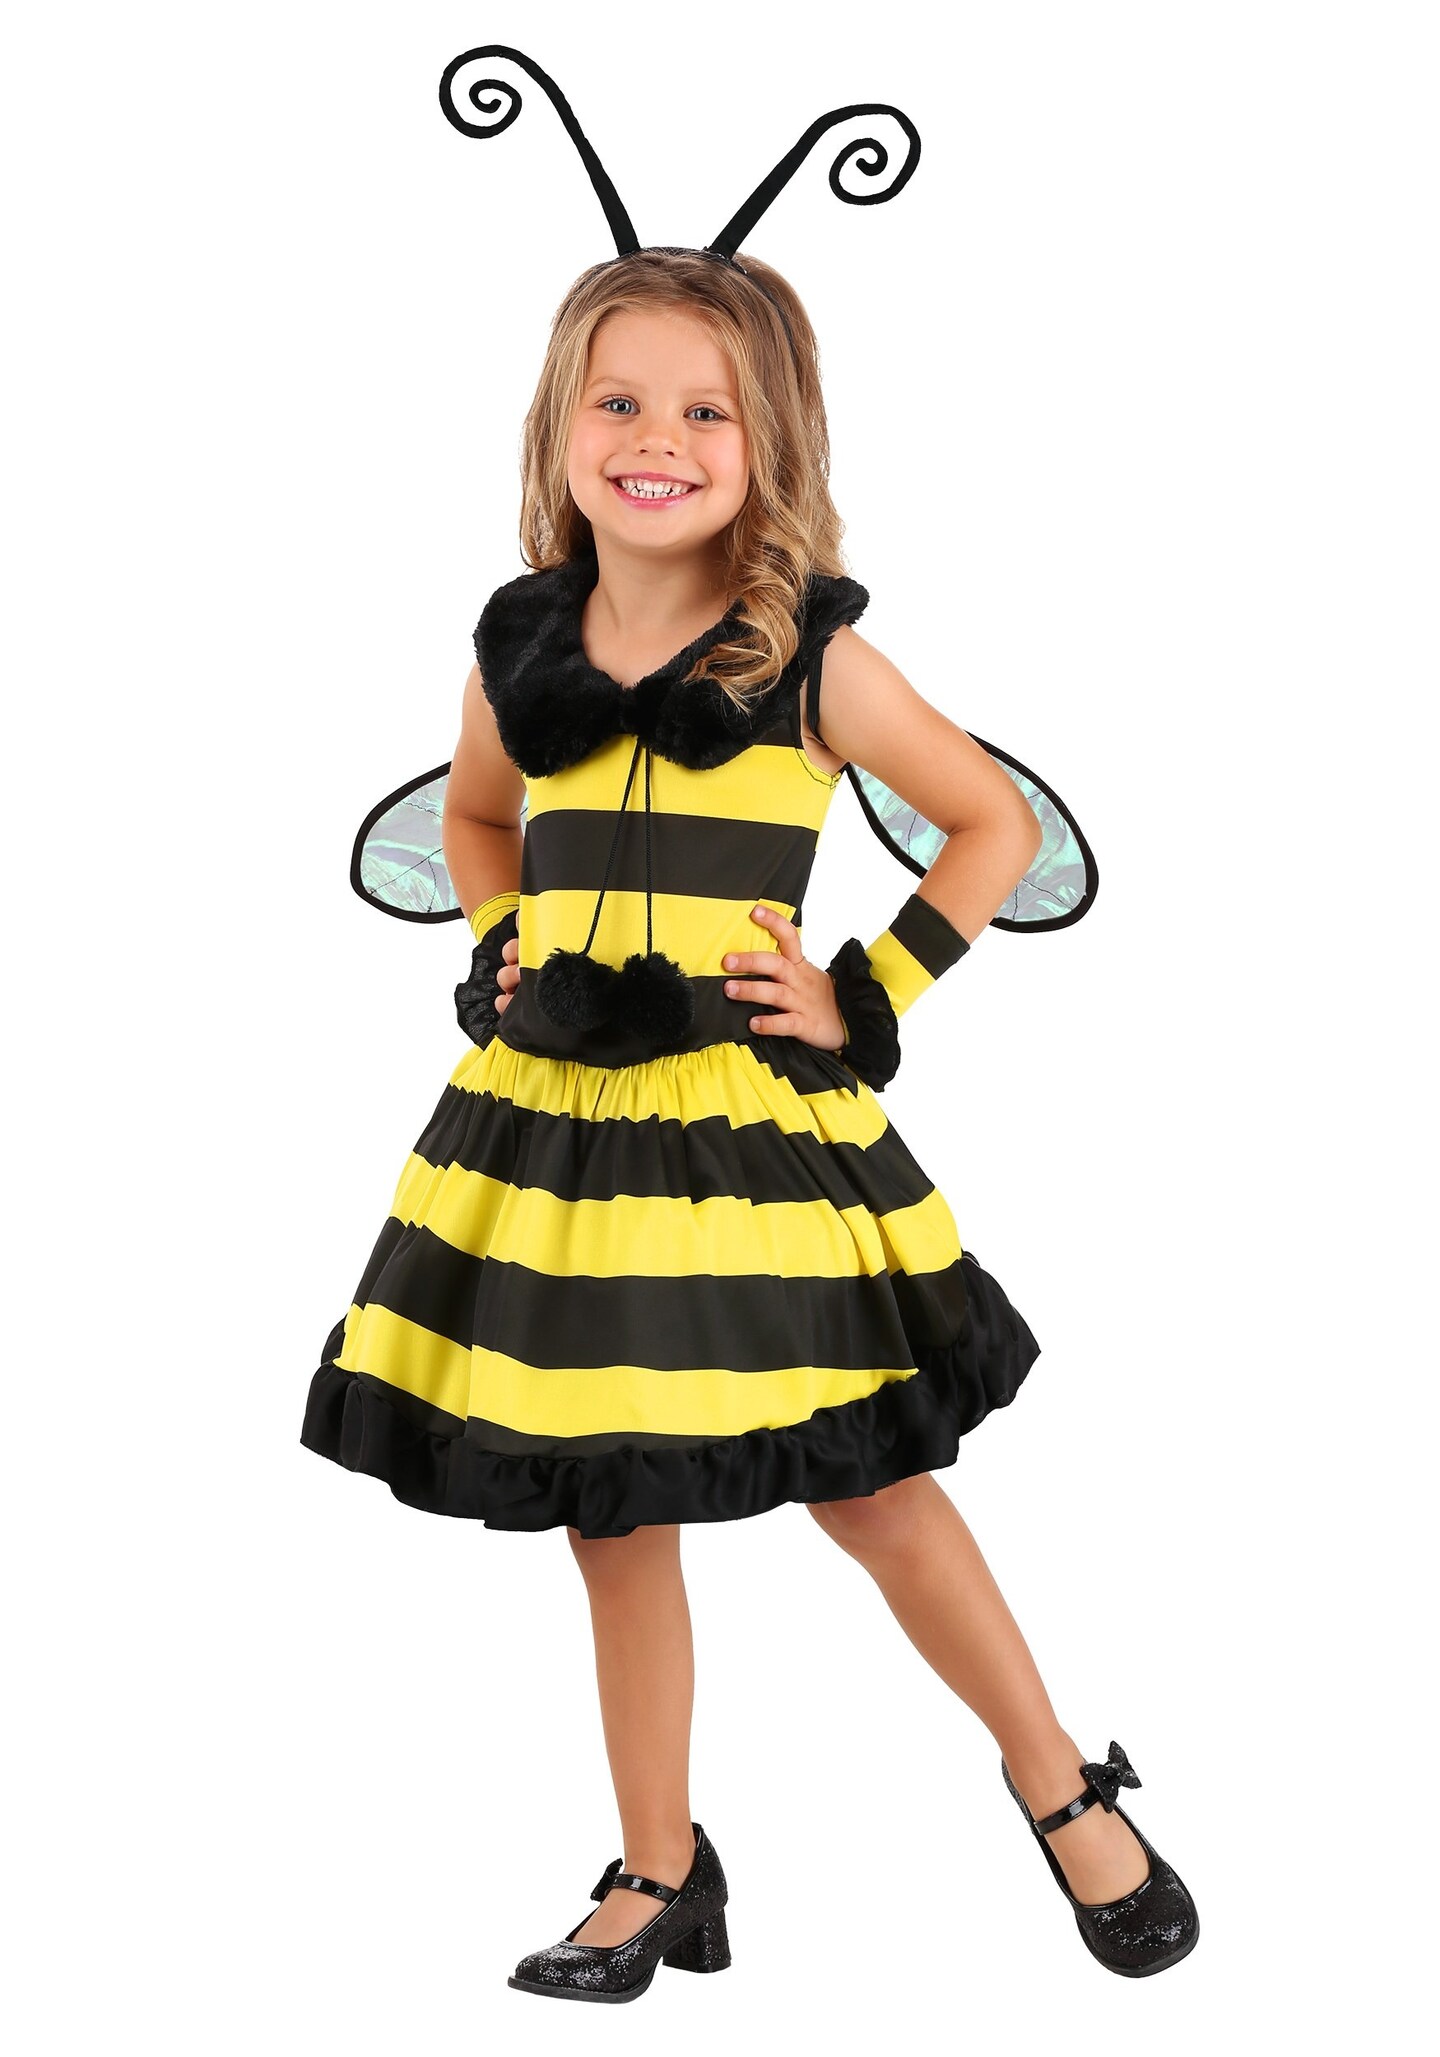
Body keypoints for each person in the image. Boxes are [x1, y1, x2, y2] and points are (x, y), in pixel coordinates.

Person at [301, 237, 1198, 1998]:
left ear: (769, 441)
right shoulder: (518, 658)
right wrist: (502, 943)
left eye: (706, 412)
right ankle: (661, 1866)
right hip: (560, 1138)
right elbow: (476, 821)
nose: (657, 438)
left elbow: (993, 824)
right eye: (619, 401)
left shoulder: (807, 659)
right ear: (560, 424)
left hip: (746, 1142)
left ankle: (1060, 1781)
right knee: (610, 1506)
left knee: (871, 1482)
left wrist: (868, 991)